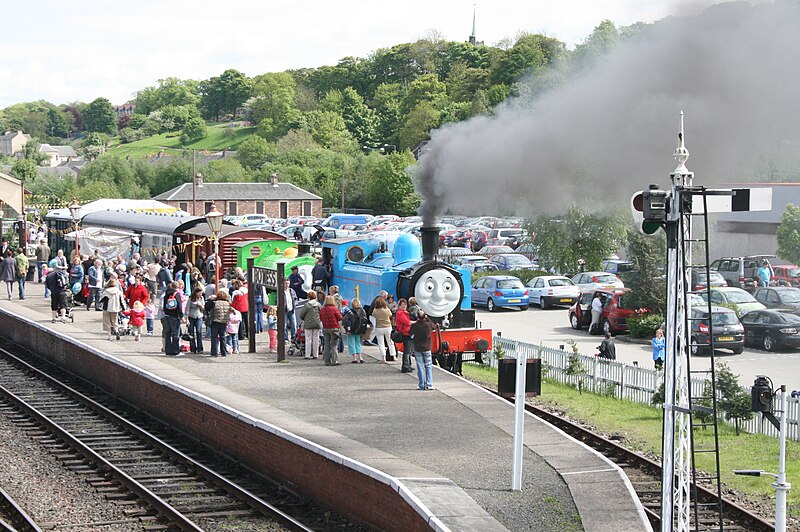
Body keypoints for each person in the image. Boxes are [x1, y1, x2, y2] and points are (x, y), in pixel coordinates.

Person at [410, 309, 437, 390]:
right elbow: (434, 326)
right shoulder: (428, 325)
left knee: (420, 366)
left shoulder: (414, 326)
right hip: (427, 347)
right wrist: (427, 318)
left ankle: (421, 385)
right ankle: (429, 384)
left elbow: (410, 335)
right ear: (424, 317)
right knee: (428, 366)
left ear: (417, 317)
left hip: (417, 348)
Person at [205, 289, 231, 358]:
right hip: (224, 322)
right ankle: (224, 352)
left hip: (215, 321)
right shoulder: (227, 303)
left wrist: (210, 299)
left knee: (214, 337)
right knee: (223, 337)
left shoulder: (215, 303)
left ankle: (214, 352)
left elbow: (207, 308)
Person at [100, 276, 126, 341]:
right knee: (115, 321)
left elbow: (101, 300)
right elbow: (122, 301)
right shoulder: (118, 291)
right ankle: (116, 331)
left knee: (107, 322)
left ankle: (109, 336)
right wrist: (123, 308)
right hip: (115, 308)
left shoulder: (106, 291)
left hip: (107, 308)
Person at [371, 297, 397, 362]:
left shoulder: (375, 310)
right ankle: (393, 356)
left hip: (379, 328)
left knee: (381, 343)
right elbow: (390, 315)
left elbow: (373, 315)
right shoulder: (386, 310)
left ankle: (383, 358)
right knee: (390, 342)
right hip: (388, 327)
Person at [162, 281, 184, 356]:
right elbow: (180, 305)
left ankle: (168, 350)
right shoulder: (176, 294)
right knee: (175, 333)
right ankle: (175, 350)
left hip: (167, 315)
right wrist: (181, 315)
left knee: (167, 333)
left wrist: (165, 312)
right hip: (175, 315)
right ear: (177, 287)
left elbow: (164, 305)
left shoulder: (166, 294)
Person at [320, 295, 343, 366]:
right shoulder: (334, 309)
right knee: (334, 345)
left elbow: (321, 318)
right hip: (334, 328)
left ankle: (327, 361)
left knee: (326, 344)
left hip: (325, 328)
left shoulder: (322, 309)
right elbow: (340, 318)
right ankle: (334, 360)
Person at [299, 289, 321, 359]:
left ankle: (307, 354)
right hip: (317, 323)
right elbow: (321, 313)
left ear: (309, 297)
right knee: (316, 339)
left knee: (308, 339)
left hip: (308, 323)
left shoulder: (307, 305)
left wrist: (305, 319)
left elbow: (301, 315)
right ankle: (315, 354)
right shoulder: (318, 305)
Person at [342, 298, 367, 363]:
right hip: (359, 329)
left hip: (352, 329)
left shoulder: (350, 311)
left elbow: (345, 320)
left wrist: (346, 328)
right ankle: (360, 357)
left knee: (351, 343)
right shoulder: (363, 311)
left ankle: (354, 358)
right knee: (358, 342)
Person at [395, 298, 413, 373]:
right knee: (407, 350)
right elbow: (407, 322)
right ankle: (405, 366)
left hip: (408, 332)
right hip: (405, 333)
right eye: (402, 305)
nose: (404, 306)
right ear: (399, 306)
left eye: (405, 304)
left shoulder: (405, 312)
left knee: (409, 350)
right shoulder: (400, 313)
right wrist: (416, 322)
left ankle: (408, 365)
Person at [187, 287, 205, 353]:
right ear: (196, 293)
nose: (201, 294)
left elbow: (204, 308)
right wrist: (187, 319)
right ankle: (193, 348)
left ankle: (200, 348)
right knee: (191, 333)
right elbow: (187, 309)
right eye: (199, 293)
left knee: (199, 332)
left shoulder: (202, 298)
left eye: (201, 293)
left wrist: (200, 305)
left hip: (199, 316)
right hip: (191, 316)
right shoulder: (190, 299)